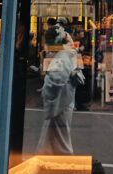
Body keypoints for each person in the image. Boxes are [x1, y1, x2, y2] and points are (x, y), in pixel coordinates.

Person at [35, 25, 85, 155]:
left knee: (60, 138)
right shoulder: (70, 52)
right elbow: (79, 74)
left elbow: (55, 80)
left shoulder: (62, 56)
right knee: (55, 135)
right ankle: (48, 158)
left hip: (60, 101)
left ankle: (63, 161)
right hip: (66, 98)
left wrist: (46, 90)